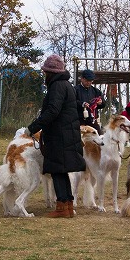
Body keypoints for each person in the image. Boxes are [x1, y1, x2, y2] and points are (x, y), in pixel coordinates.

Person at [27, 54, 84, 218]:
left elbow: (52, 111)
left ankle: (62, 208)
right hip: (67, 134)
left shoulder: (57, 86)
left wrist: (33, 128)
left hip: (59, 135)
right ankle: (68, 205)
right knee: (62, 171)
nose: (44, 74)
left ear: (50, 72)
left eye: (45, 72)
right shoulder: (67, 85)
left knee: (57, 170)